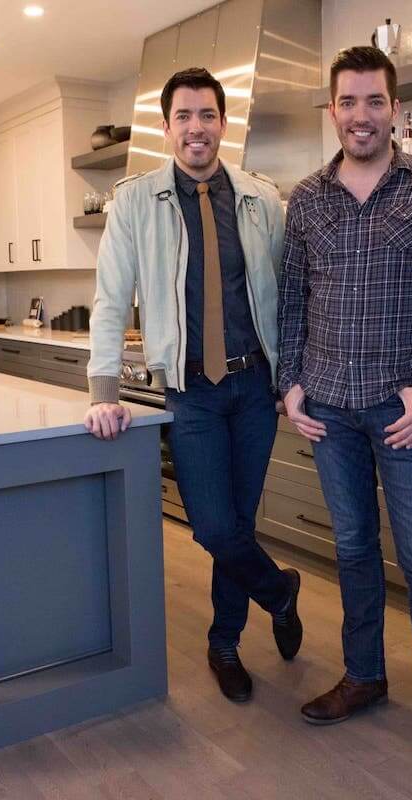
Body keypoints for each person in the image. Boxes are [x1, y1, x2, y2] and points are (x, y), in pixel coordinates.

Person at [277, 46, 412, 793]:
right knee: (355, 552)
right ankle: (364, 676)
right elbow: (292, 302)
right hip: (327, 408)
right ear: (332, 110)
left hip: (406, 414)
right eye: (347, 101)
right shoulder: (305, 199)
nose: (360, 115)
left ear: (394, 109)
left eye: (373, 101)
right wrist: (289, 386)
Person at [85, 67, 303, 703]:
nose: (196, 129)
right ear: (167, 127)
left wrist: (292, 375)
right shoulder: (134, 201)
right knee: (212, 526)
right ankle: (280, 591)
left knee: (236, 521)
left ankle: (225, 642)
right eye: (183, 117)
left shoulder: (263, 200)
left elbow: (288, 296)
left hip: (254, 387)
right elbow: (109, 300)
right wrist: (104, 392)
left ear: (222, 124)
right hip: (193, 392)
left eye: (207, 115)